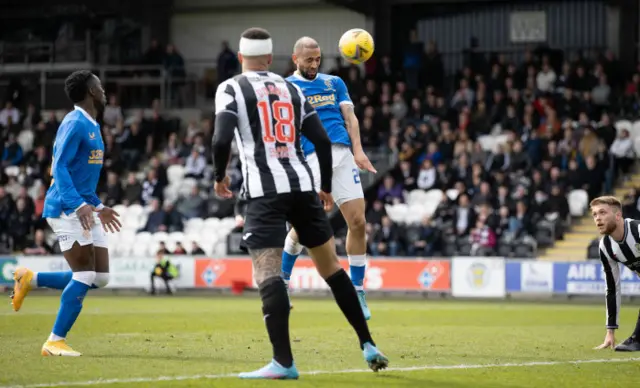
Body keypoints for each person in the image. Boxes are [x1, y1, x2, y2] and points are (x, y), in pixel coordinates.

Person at [212, 27, 387, 379]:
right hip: (303, 185)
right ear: (273, 58)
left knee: (267, 273)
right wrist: (322, 186)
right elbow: (321, 139)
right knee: (333, 269)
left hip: (265, 190)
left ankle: (283, 362)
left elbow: (220, 138)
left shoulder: (231, 87)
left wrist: (219, 176)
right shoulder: (290, 87)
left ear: (241, 58)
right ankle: (368, 343)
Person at [10, 70, 121, 357]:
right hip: (65, 208)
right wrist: (79, 205)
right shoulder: (73, 123)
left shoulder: (92, 124)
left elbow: (82, 177)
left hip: (83, 205)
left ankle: (29, 279)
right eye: (98, 84)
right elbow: (58, 169)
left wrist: (98, 205)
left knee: (100, 277)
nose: (103, 89)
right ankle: (54, 341)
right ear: (91, 91)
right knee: (84, 274)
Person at [281, 36, 376, 320]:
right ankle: (282, 283)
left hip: (343, 155)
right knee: (305, 225)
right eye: (309, 60)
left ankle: (357, 289)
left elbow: (351, 118)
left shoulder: (334, 83)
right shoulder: (286, 87)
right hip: (309, 159)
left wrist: (358, 151)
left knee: (358, 222)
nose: (314, 64)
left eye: (318, 59)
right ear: (295, 58)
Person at [591, 196, 640, 352]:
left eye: (602, 213)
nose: (598, 218)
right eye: (594, 214)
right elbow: (612, 289)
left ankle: (637, 339)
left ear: (618, 215)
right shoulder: (605, 247)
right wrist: (610, 332)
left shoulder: (637, 230)